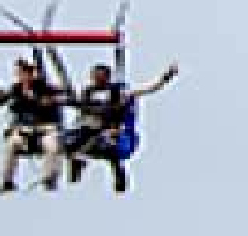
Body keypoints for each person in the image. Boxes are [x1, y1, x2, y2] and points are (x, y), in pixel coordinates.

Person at [64, 60, 180, 193]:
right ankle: (76, 166)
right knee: (70, 141)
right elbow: (73, 104)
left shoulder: (120, 92)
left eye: (100, 77)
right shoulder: (87, 93)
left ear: (107, 77)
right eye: (94, 76)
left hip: (117, 134)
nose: (96, 80)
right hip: (92, 131)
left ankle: (118, 175)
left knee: (110, 145)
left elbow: (149, 89)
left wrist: (166, 77)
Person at [0, 57, 72, 194]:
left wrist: (51, 100)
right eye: (19, 74)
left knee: (52, 146)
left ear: (31, 74)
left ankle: (50, 176)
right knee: (11, 145)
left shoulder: (44, 88)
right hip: (25, 132)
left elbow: (63, 93)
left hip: (45, 130)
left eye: (24, 74)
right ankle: (7, 181)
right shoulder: (16, 89)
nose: (21, 78)